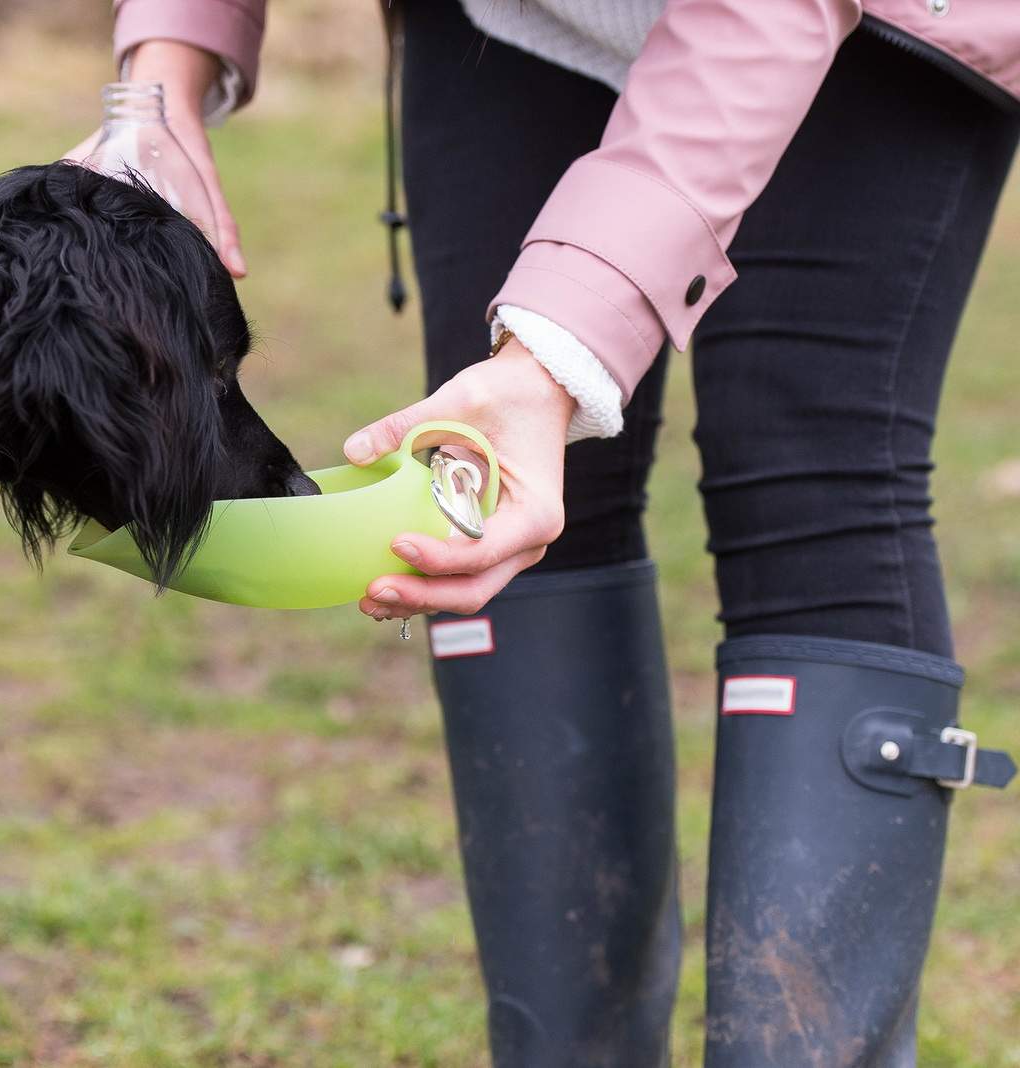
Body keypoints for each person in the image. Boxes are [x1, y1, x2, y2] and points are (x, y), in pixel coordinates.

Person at [83, 1, 1019, 1064]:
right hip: (517, 21)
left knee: (806, 459)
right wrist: (159, 81)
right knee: (484, 482)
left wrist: (551, 357)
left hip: (857, 33)